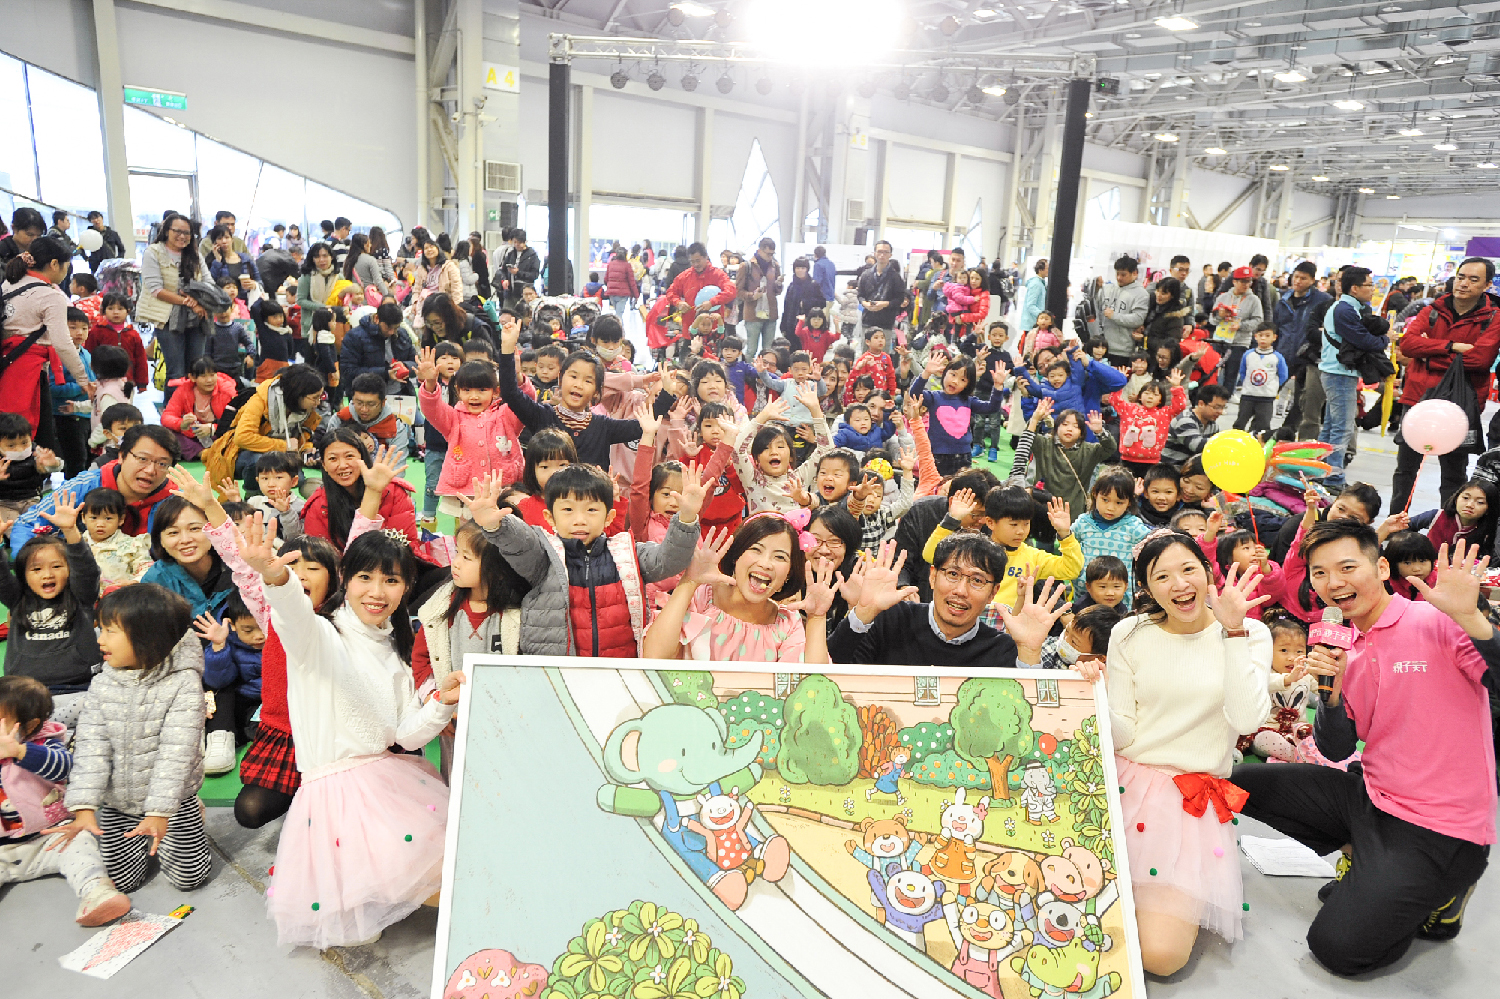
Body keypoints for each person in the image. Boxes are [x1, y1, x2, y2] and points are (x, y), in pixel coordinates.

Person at [1234, 526, 1497, 976]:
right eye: (1320, 572)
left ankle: (1441, 894)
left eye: (1347, 567)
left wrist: (1472, 619)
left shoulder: (1438, 620)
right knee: (1238, 783)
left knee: (1337, 949)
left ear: (1381, 567)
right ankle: (1364, 859)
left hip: (1440, 826)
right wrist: (1332, 695)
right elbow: (1336, 747)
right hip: (1372, 798)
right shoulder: (1345, 646)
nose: (1333, 582)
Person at [241, 521, 462, 949]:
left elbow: (407, 736)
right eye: (365, 577)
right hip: (340, 798)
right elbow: (291, 612)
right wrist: (275, 577)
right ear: (345, 578)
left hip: (391, 780)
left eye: (391, 580)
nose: (377, 592)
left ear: (406, 587)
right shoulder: (319, 635)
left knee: (451, 874)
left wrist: (442, 702)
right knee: (423, 892)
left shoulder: (396, 647)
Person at [1074, 529, 1272, 975]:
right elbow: (1123, 733)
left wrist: (1233, 632)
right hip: (1122, 783)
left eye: (1188, 569)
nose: (1179, 584)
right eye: (1161, 576)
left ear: (1207, 572)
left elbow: (1245, 721)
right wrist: (1094, 693)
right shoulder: (1129, 632)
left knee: (1161, 958)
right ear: (1147, 588)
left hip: (1189, 801)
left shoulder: (1250, 631)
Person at [54, 584, 211, 896]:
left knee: (189, 879)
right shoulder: (102, 683)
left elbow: (176, 754)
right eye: (101, 629)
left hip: (173, 802)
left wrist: (159, 813)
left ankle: (192, 813)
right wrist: (84, 806)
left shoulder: (183, 683)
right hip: (119, 802)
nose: (100, 640)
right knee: (123, 882)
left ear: (147, 637)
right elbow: (91, 748)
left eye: (110, 631)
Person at [465, 463, 700, 656]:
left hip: (619, 673)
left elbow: (670, 560)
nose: (580, 520)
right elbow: (520, 542)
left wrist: (687, 518)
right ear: (550, 517)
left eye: (591, 510)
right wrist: (495, 525)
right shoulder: (543, 555)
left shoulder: (628, 553)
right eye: (568, 510)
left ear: (609, 517)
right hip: (557, 675)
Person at [0, 674, 135, 925]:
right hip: (3, 849)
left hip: (51, 837)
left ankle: (96, 892)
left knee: (81, 846)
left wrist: (20, 752)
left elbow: (65, 767)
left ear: (29, 726)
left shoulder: (46, 743)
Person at [826, 536, 1063, 667]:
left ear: (994, 593)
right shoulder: (889, 619)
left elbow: (1027, 714)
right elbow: (832, 670)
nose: (960, 590)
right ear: (932, 577)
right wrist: (864, 612)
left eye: (977, 580)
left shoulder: (1002, 648)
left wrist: (1029, 652)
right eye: (952, 574)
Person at [642, 514, 835, 664]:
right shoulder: (700, 597)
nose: (765, 563)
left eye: (780, 557)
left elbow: (812, 687)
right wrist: (689, 582)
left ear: (788, 574)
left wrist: (817, 618)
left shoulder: (787, 624)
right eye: (756, 550)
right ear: (736, 556)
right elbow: (654, 657)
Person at [1389, 257, 1500, 513]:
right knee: (1405, 470)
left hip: (1460, 404)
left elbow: (1480, 359)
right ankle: (1394, 525)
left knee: (1453, 474)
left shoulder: (1493, 317)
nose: (1464, 283)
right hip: (1418, 398)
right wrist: (1451, 347)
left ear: (1487, 285)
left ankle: (1448, 529)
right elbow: (1408, 344)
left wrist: (1427, 356)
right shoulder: (1433, 309)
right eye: (1461, 277)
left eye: (1473, 279)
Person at [0, 490, 102, 727]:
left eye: (56, 566)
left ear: (70, 570)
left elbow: (87, 572)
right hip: (24, 693)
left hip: (78, 689)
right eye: (36, 569)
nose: (47, 574)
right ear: (23, 576)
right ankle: (44, 726)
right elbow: (2, 578)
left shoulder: (80, 597)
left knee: (96, 706)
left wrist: (71, 532)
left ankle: (44, 726)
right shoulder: (18, 599)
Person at [10, 423, 180, 555]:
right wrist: (31, 564)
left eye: (162, 463)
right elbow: (27, 523)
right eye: (143, 459)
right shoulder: (84, 486)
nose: (151, 470)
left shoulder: (175, 500)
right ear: (122, 456)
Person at [2, 236, 95, 435]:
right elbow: (63, 344)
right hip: (27, 368)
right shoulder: (51, 296)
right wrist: (83, 379)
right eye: (66, 267)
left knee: (8, 424)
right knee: (22, 428)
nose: (66, 272)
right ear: (54, 264)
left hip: (6, 361)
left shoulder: (9, 283)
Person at [1318, 266, 1389, 489]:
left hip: (1339, 373)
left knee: (1331, 426)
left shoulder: (1352, 308)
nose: (1373, 289)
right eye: (1369, 285)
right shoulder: (1344, 310)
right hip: (1338, 374)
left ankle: (1320, 471)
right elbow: (1363, 340)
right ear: (1355, 288)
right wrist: (1385, 339)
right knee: (1342, 428)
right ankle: (1333, 478)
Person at [302, 432, 418, 550]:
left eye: (349, 456)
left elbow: (407, 547)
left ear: (363, 457)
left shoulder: (394, 493)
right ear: (324, 465)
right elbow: (318, 556)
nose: (342, 465)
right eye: (333, 459)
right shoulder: (318, 506)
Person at [1274, 261, 1333, 435]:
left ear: (1312, 280)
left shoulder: (1323, 301)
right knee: (1268, 391)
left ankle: (1287, 432)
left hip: (1307, 357)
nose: (1298, 281)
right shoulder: (1283, 299)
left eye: (1303, 278)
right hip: (1283, 354)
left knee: (1302, 400)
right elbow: (1276, 326)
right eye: (1296, 277)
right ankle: (1261, 428)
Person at [1212, 266, 1266, 393]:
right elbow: (1212, 319)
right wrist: (1219, 315)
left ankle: (1225, 399)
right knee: (1213, 370)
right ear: (1234, 281)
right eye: (1243, 281)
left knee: (1231, 374)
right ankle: (1212, 397)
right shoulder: (1223, 297)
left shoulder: (1254, 300)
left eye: (1249, 281)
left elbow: (1258, 321)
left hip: (1239, 342)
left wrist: (1240, 325)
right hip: (1219, 340)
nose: (1246, 284)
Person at [1233, 324, 1288, 436]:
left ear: (1274, 337)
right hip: (1248, 395)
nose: (1263, 338)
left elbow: (1283, 375)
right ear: (1255, 336)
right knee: (1240, 422)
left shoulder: (1277, 357)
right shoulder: (1248, 354)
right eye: (1260, 335)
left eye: (1267, 335)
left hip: (1266, 398)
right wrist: (1247, 384)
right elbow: (1243, 372)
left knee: (1263, 425)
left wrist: (1273, 387)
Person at [1159, 383, 1230, 469]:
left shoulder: (1212, 424)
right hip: (1172, 469)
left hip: (1191, 469)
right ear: (1201, 404)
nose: (1220, 412)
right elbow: (1197, 446)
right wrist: (1226, 441)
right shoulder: (1185, 420)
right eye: (1216, 407)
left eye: (1223, 407)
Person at [1096, 255, 1149, 364]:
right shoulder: (1107, 289)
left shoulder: (1141, 294)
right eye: (1117, 274)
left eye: (1123, 275)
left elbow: (1138, 319)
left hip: (1121, 351)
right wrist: (1096, 289)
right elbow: (1095, 309)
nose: (1119, 278)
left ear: (1134, 273)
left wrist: (1114, 316)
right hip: (1100, 347)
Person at [736, 238, 782, 359]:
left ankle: (766, 371)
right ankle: (748, 371)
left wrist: (778, 284)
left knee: (768, 350)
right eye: (768, 254)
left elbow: (777, 292)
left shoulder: (775, 266)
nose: (771, 257)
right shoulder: (746, 266)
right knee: (751, 349)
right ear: (759, 250)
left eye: (773, 254)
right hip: (753, 314)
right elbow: (738, 291)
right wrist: (752, 295)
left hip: (771, 314)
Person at [856, 240, 906, 333]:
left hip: (886, 323)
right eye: (879, 252)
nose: (882, 255)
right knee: (865, 342)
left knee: (883, 342)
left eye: (886, 252)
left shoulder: (896, 277)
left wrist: (885, 304)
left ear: (890, 255)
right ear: (874, 253)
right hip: (867, 320)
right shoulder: (866, 274)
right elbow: (860, 295)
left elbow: (900, 299)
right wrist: (865, 304)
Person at [343, 232, 390, 298]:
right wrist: (387, 296)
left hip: (352, 297)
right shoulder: (370, 260)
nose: (370, 245)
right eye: (369, 243)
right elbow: (378, 281)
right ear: (364, 245)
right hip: (367, 297)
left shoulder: (347, 260)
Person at [603, 247, 639, 318]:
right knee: (619, 314)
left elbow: (606, 279)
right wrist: (636, 295)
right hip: (623, 294)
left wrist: (610, 286)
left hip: (612, 293)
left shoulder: (611, 264)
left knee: (617, 313)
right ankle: (618, 325)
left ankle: (616, 324)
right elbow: (632, 282)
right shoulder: (627, 265)